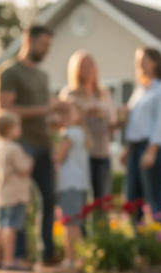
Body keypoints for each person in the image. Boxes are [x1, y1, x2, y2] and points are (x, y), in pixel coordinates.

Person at [0, 25, 66, 267]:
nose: (47, 50)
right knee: (19, 201)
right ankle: (18, 255)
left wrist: (53, 119)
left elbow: (43, 111)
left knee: (49, 199)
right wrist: (45, 109)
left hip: (44, 144)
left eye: (49, 45)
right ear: (29, 40)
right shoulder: (10, 73)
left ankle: (47, 254)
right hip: (20, 146)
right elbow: (4, 110)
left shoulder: (42, 76)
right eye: (44, 44)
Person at [123, 47, 161, 223]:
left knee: (153, 197)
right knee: (132, 196)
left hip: (154, 148)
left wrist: (151, 151)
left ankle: (160, 241)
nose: (138, 64)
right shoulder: (140, 89)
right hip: (136, 147)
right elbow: (134, 122)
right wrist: (128, 148)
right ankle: (138, 239)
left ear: (154, 62)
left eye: (142, 59)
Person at [58, 51, 117, 204]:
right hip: (81, 153)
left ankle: (101, 227)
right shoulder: (70, 93)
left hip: (102, 151)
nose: (88, 69)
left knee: (102, 198)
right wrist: (85, 113)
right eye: (83, 66)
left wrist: (113, 124)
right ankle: (81, 228)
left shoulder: (104, 93)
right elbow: (63, 121)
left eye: (91, 65)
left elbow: (112, 121)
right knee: (81, 200)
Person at [0, 110, 33, 271]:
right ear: (9, 129)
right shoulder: (14, 148)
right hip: (15, 193)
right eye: (17, 126)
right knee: (11, 226)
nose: (20, 129)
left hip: (1, 191)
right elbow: (23, 169)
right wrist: (30, 160)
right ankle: (9, 260)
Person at [54, 102, 91, 269]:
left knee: (69, 222)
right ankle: (78, 258)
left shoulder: (70, 133)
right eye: (62, 113)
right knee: (76, 221)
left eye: (68, 112)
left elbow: (58, 157)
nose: (64, 116)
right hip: (80, 182)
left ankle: (70, 259)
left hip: (69, 183)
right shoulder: (81, 133)